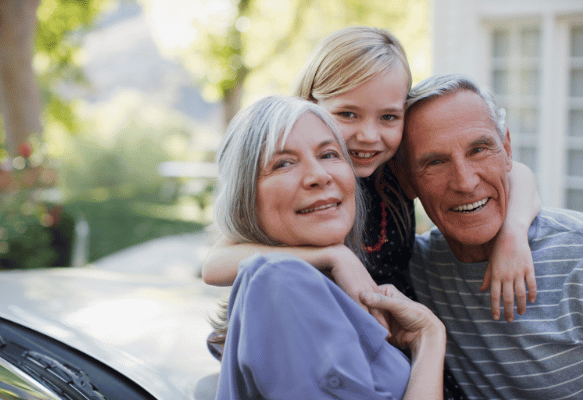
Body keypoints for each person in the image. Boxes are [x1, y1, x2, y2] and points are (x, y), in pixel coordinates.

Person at [202, 26, 539, 324]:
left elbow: (517, 173)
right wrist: (334, 256)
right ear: (311, 102)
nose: (369, 135)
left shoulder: (392, 172)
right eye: (348, 114)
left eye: (389, 118)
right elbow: (214, 265)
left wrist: (513, 232)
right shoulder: (302, 189)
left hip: (399, 341)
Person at [214, 95, 447, 399]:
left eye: (328, 155)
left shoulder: (323, 287)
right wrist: (430, 340)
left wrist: (428, 334)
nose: (319, 176)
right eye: (283, 163)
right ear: (244, 203)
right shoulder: (279, 281)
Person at [400, 73, 583, 399]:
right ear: (407, 180)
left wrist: (514, 232)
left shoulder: (576, 256)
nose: (465, 182)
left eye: (479, 149)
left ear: (507, 148)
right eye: (436, 162)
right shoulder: (414, 266)